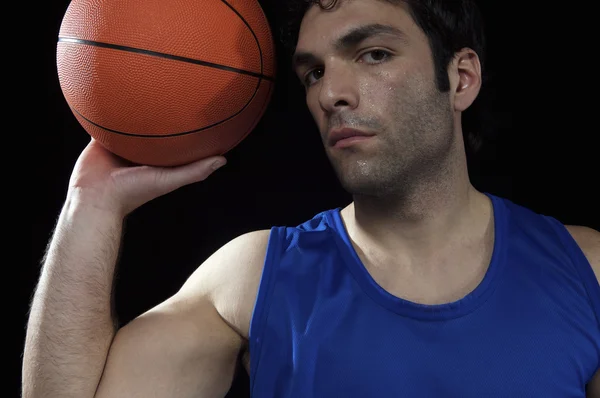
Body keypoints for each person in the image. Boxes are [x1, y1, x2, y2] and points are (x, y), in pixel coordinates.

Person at [24, 0, 600, 396]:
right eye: (313, 73)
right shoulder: (252, 279)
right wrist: (90, 207)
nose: (331, 93)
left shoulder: (587, 269)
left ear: (460, 79)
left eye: (373, 54)